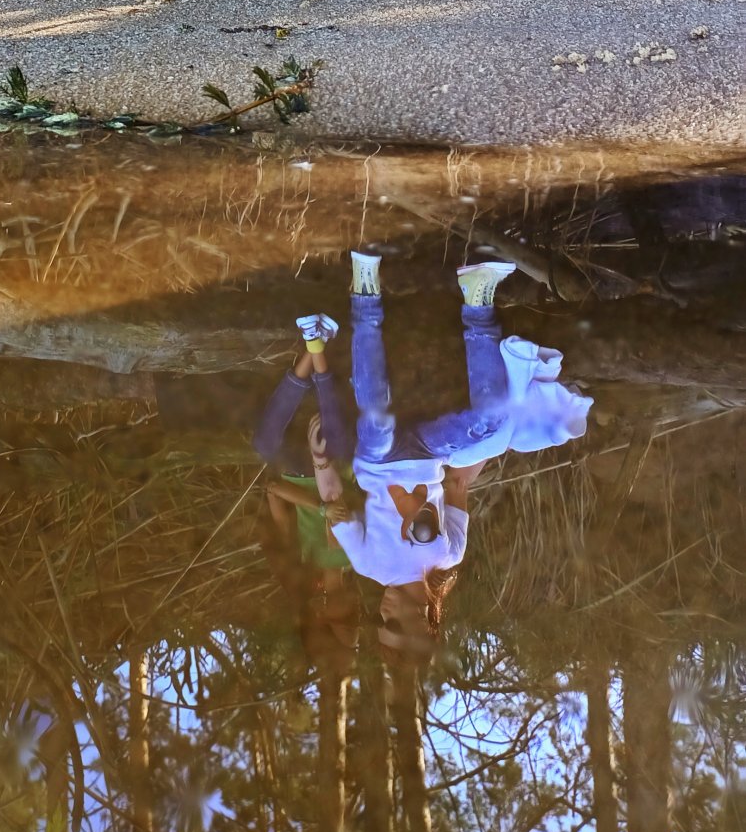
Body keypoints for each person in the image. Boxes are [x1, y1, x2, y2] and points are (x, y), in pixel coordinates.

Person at [328, 250, 593, 654]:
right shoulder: (448, 556)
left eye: (380, 620)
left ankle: (365, 293)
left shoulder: (369, 566)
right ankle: (477, 299)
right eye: (390, 621)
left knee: (377, 419)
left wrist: (338, 513)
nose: (382, 611)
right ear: (418, 621)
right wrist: (493, 443)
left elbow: (336, 515)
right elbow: (458, 481)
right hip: (429, 454)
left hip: (378, 462)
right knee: (489, 421)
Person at [254, 314, 360, 674]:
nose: (354, 616)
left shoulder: (299, 565)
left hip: (295, 471)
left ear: (321, 616)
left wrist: (318, 508)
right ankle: (317, 345)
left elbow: (272, 490)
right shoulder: (360, 560)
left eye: (345, 621)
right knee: (335, 442)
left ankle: (312, 348)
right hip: (338, 460)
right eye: (355, 621)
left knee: (265, 443)